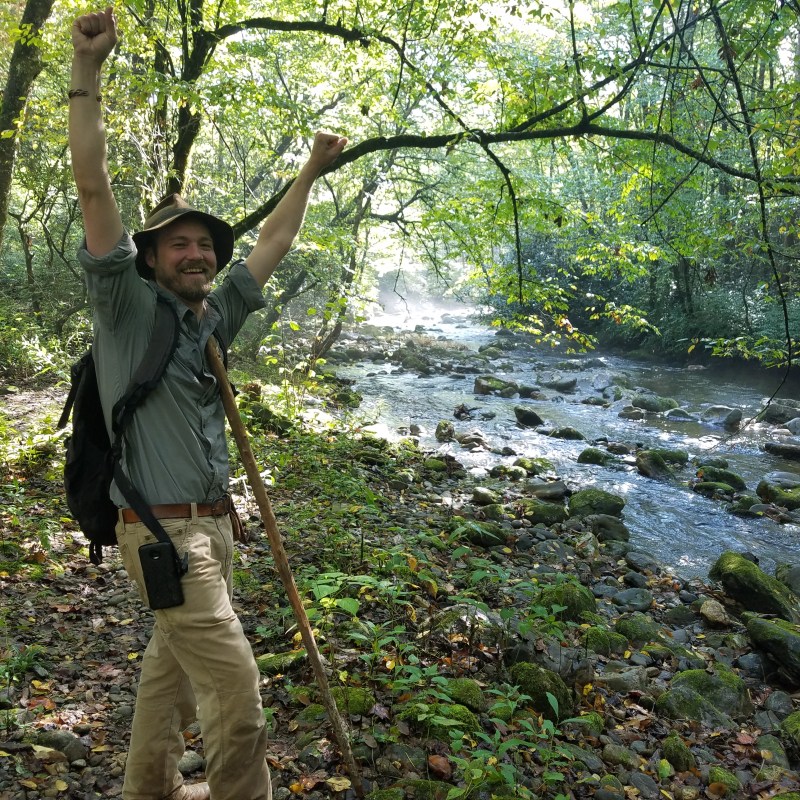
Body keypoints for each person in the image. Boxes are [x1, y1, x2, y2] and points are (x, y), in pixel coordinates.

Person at [69, 7, 347, 800]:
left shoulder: (212, 320)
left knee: (169, 682)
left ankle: (148, 789)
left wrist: (309, 172)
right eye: (179, 244)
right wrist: (87, 70)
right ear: (150, 257)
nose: (196, 254)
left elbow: (275, 244)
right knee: (235, 689)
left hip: (214, 531)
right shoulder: (126, 309)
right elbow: (92, 183)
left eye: (205, 246)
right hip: (164, 536)